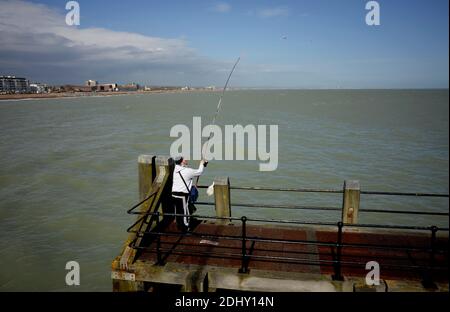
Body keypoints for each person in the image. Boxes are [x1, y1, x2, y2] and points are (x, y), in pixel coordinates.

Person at [172, 156, 208, 232]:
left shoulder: (175, 169)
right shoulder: (187, 171)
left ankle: (179, 226)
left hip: (174, 194)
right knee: (185, 212)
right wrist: (202, 163)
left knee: (178, 211)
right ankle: (185, 228)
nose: (187, 160)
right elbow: (199, 172)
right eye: (185, 159)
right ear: (182, 162)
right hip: (182, 195)